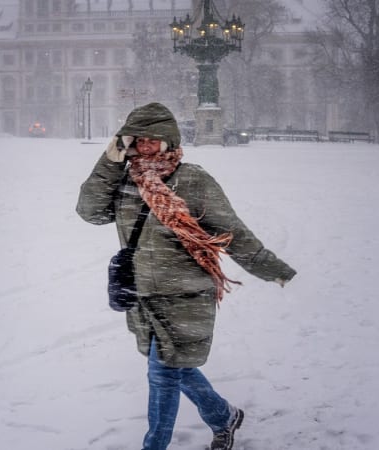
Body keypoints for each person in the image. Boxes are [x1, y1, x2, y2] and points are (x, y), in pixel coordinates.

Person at [76, 102, 297, 450]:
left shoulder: (193, 180)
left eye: (153, 140)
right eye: (138, 140)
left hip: (186, 296)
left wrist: (272, 268)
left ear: (168, 141)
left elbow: (231, 231)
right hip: (143, 295)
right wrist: (109, 159)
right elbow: (89, 212)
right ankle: (224, 416)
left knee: (161, 375)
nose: (145, 147)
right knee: (174, 367)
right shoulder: (124, 179)